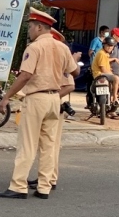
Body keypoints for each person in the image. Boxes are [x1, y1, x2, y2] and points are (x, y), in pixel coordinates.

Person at [0, 9, 79, 200]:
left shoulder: (34, 48)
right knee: (49, 145)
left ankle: (18, 186)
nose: (30, 31)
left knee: (27, 144)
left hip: (37, 98)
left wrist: (7, 96)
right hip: (54, 99)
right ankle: (44, 187)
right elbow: (74, 74)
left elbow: (25, 75)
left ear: (40, 27)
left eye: (31, 27)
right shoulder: (62, 48)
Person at [29, 28, 82, 192]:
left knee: (50, 145)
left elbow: (70, 85)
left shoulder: (59, 60)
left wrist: (52, 98)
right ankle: (46, 178)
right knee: (47, 145)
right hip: (52, 105)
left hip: (55, 106)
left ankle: (50, 178)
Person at [93, 36, 119, 114]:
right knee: (116, 78)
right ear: (104, 45)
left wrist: (114, 59)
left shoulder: (105, 53)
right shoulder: (102, 53)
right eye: (108, 45)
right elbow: (103, 70)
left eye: (111, 46)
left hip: (103, 75)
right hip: (100, 75)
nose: (110, 47)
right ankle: (114, 97)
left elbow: (105, 60)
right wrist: (112, 74)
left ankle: (112, 92)